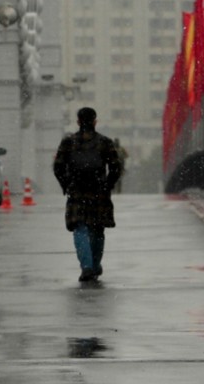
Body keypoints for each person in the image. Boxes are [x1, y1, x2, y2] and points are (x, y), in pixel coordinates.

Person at [53, 107, 123, 283]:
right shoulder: (105, 142)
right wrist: (108, 185)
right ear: (95, 121)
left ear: (78, 122)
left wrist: (66, 184)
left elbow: (58, 167)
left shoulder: (68, 142)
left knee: (80, 228)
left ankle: (87, 266)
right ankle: (95, 264)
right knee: (98, 229)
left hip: (77, 191)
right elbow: (116, 167)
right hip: (99, 191)